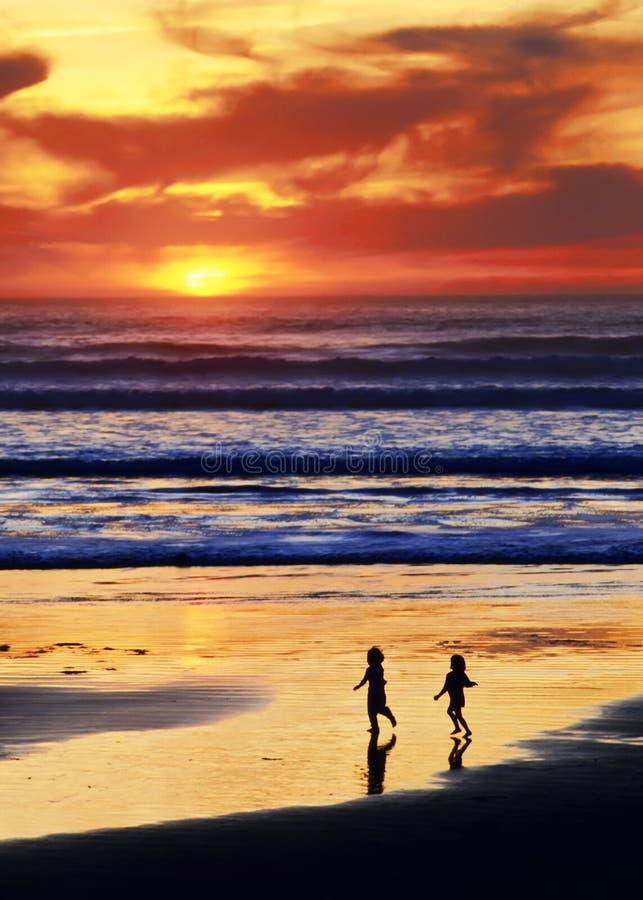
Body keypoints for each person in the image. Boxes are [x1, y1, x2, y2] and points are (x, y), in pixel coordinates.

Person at [353, 646, 397, 734]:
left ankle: (376, 727)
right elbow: (380, 680)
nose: (367, 660)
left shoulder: (370, 670)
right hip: (381, 693)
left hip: (373, 694)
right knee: (379, 709)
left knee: (371, 712)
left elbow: (365, 680)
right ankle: (387, 715)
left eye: (368, 658)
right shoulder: (380, 668)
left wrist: (358, 686)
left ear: (372, 659)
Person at [434, 653, 478, 736]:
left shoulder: (452, 675)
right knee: (455, 714)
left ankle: (461, 729)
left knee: (453, 713)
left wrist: (438, 696)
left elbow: (446, 688)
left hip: (456, 698)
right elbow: (466, 684)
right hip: (456, 698)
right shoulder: (458, 674)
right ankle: (464, 730)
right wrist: (439, 695)